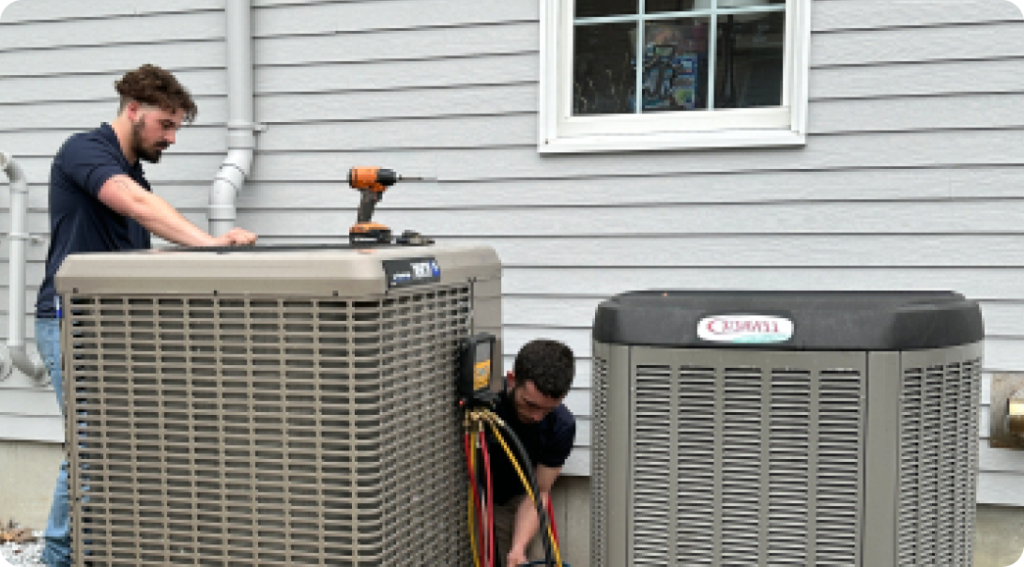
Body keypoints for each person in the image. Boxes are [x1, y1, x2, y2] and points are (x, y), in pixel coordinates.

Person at [35, 63, 258, 567]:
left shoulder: (131, 175)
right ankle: (56, 557)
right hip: (71, 324)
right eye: (167, 124)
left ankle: (107, 550)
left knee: (128, 448)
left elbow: (138, 253)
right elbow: (136, 205)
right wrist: (208, 244)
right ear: (133, 111)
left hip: (117, 329)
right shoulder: (85, 153)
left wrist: (202, 260)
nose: (172, 138)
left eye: (177, 127)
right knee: (93, 450)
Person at [488, 339, 576, 567]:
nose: (537, 417)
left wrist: (518, 548)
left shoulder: (561, 425)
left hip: (516, 501)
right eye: (530, 405)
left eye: (548, 409)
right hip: (464, 494)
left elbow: (539, 492)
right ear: (511, 379)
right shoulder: (485, 406)